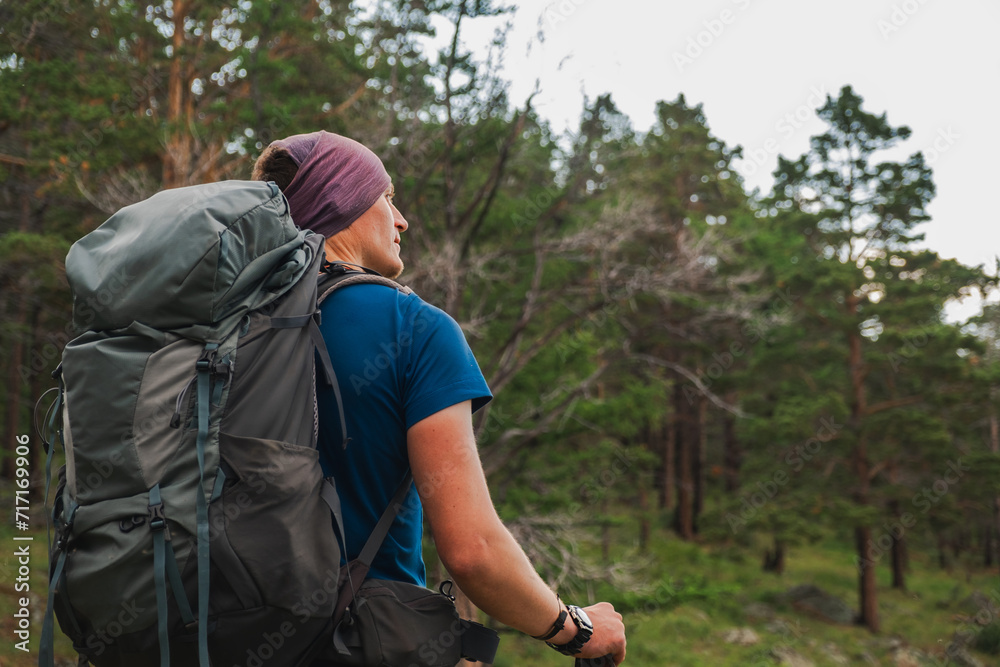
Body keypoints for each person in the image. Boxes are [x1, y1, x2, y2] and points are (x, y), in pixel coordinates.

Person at [251, 131, 627, 665]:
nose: (401, 219)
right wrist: (580, 629)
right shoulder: (413, 328)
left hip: (217, 634)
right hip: (358, 643)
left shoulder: (225, 330)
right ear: (344, 203)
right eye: (385, 197)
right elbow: (473, 553)